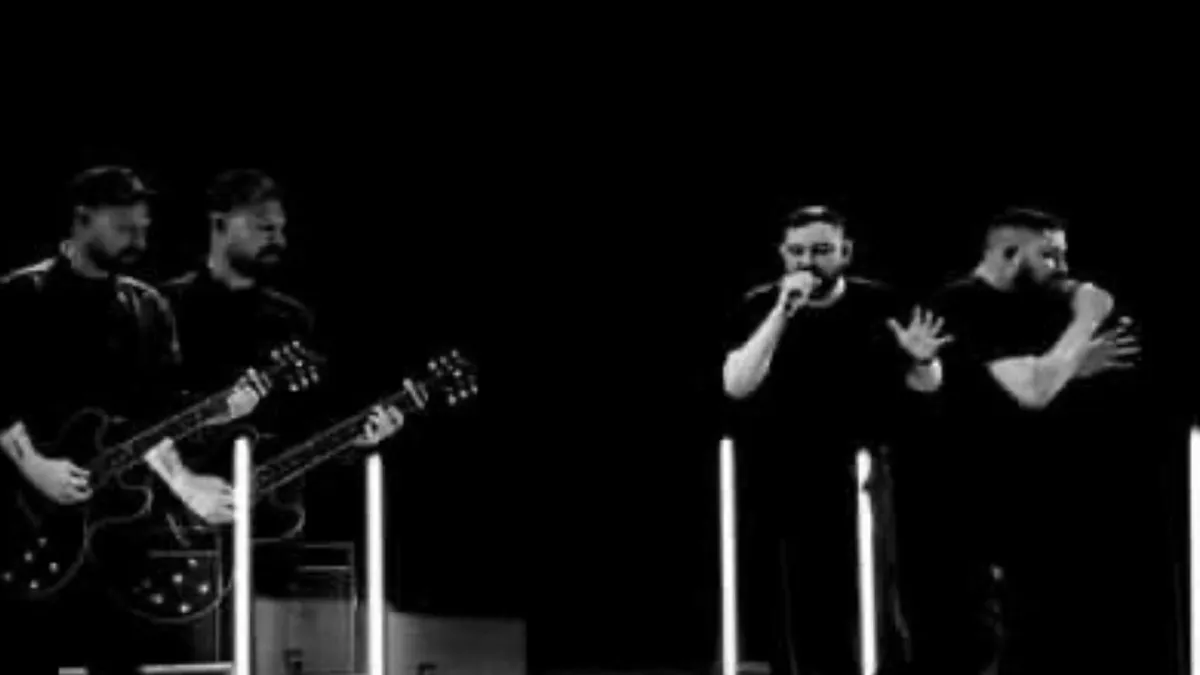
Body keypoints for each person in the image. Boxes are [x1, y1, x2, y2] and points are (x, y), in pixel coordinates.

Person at [0, 166, 261, 674]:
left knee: (120, 657)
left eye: (143, 229)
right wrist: (34, 465)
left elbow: (155, 421)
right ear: (81, 219)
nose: (138, 241)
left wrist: (200, 448)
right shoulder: (19, 296)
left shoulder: (147, 307)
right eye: (124, 229)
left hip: (117, 529)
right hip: (26, 521)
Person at [907, 207, 1140, 674]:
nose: (1063, 267)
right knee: (973, 649)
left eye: (1063, 254)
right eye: (1049, 255)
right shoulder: (958, 306)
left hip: (1034, 512)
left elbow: (1040, 376)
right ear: (1009, 253)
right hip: (964, 515)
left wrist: (1065, 367)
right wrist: (1085, 321)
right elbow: (1033, 389)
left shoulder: (1035, 305)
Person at [721, 205, 951, 675]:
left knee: (867, 595)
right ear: (782, 254)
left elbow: (927, 384)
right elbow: (738, 384)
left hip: (860, 470)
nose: (808, 262)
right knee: (793, 599)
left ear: (845, 252)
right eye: (797, 251)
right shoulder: (759, 304)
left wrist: (922, 359)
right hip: (782, 470)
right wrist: (782, 312)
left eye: (822, 250)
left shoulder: (880, 304)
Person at [157, 169, 403, 588]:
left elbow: (306, 427)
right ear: (219, 224)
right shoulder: (163, 307)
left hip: (270, 529)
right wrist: (185, 479)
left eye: (281, 229)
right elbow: (138, 416)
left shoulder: (292, 319)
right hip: (171, 526)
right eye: (263, 228)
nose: (279, 240)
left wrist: (356, 440)